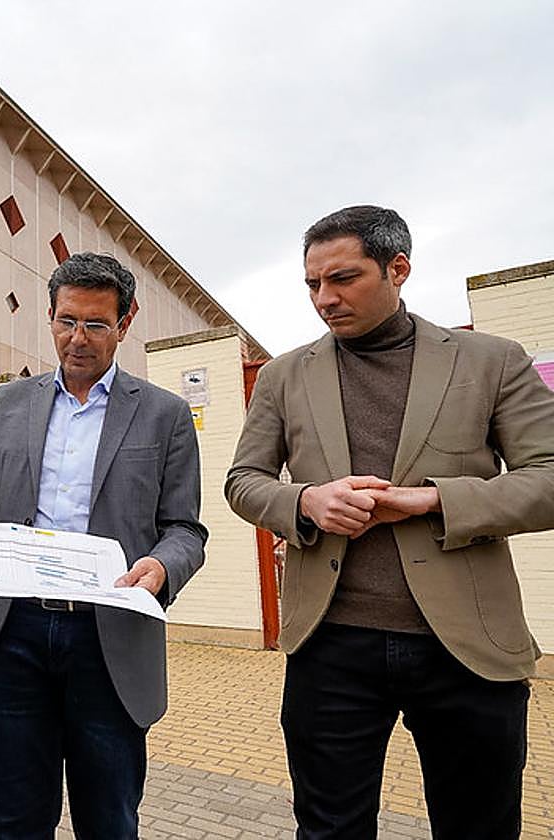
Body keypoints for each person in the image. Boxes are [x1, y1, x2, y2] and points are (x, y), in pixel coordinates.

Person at [225, 205, 554, 839]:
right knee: (329, 829)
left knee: (479, 827)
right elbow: (244, 482)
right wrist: (306, 502)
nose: (325, 298)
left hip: (467, 646)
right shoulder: (282, 375)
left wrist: (434, 501)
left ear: (397, 268)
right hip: (330, 644)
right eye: (313, 284)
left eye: (343, 278)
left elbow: (548, 477)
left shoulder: (491, 360)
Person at [0, 252, 207, 839]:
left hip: (109, 636)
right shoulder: (9, 404)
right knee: (16, 819)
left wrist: (161, 567)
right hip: (16, 636)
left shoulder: (165, 415)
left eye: (96, 324)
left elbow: (186, 530)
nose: (78, 338)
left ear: (125, 323)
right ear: (50, 317)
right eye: (66, 321)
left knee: (109, 820)